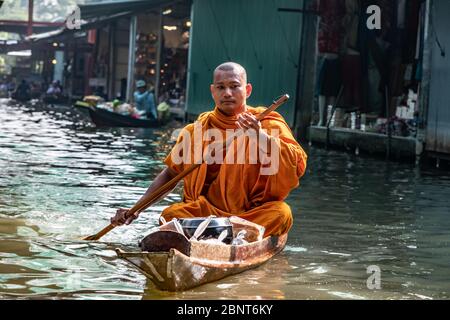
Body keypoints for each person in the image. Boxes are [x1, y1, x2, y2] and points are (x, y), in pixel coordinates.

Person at [111, 62, 307, 237]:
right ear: (213, 91)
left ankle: (222, 235)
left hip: (251, 215)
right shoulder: (196, 130)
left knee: (281, 214)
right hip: (206, 215)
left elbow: (296, 165)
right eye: (221, 87)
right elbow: (171, 174)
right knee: (169, 215)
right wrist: (137, 209)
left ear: (247, 90)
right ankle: (234, 235)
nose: (227, 93)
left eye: (234, 86)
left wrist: (260, 136)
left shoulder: (267, 123)